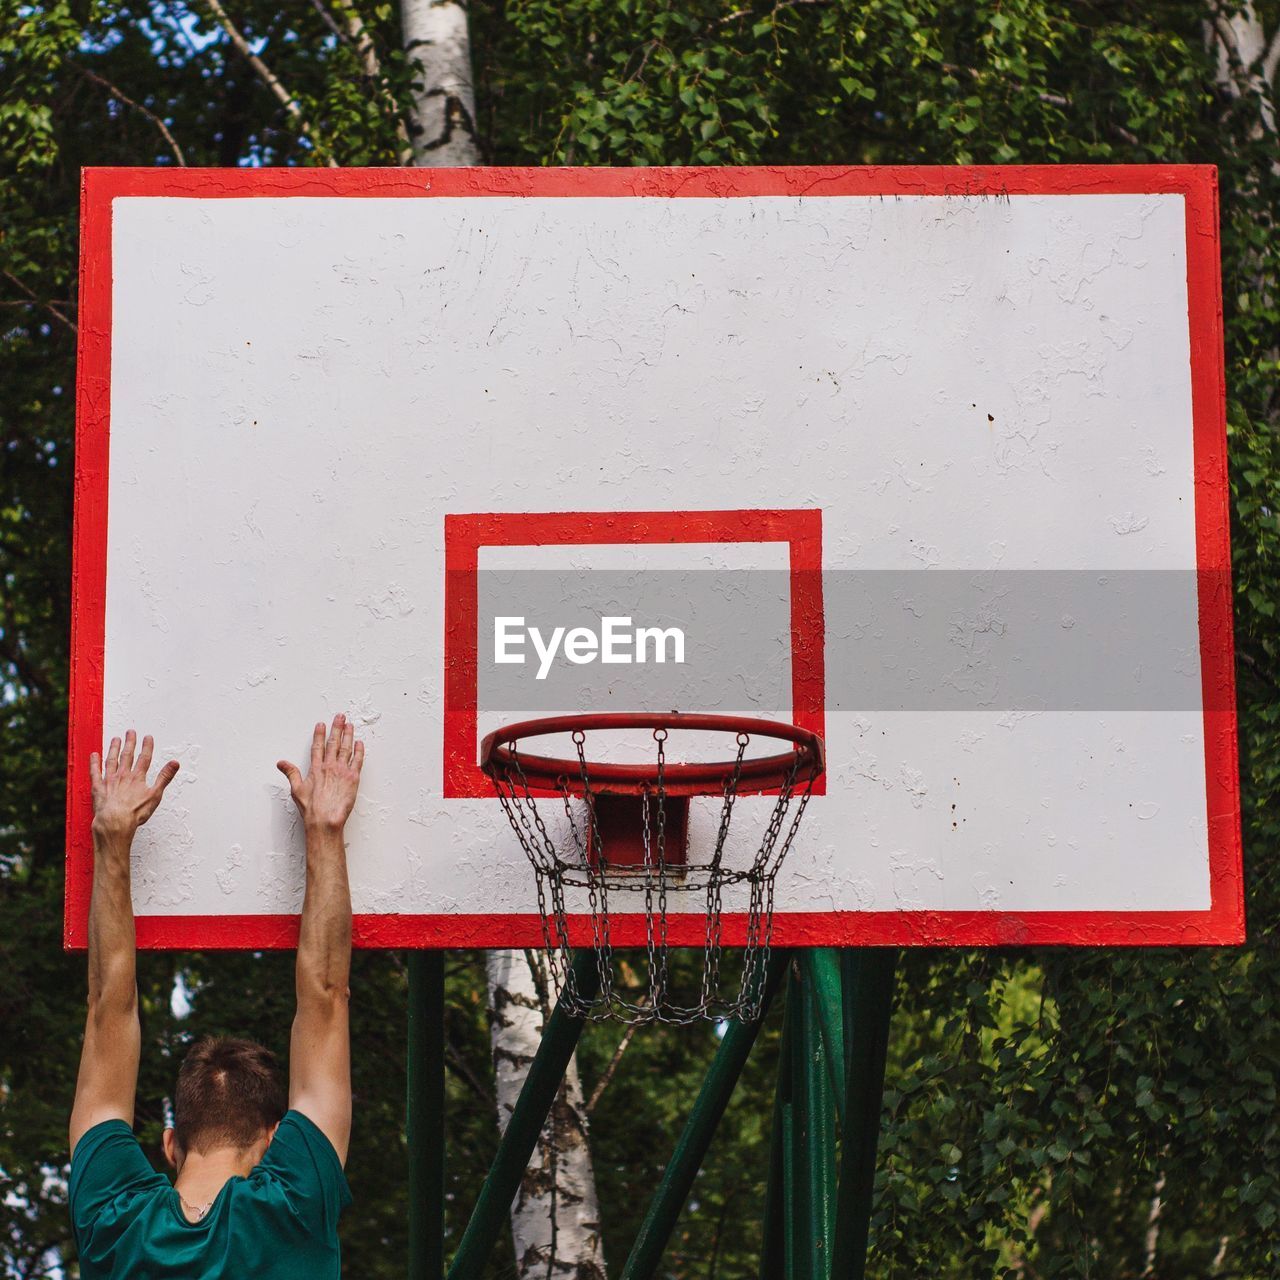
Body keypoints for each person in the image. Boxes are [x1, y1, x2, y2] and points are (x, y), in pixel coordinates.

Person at [68, 715, 364, 1279]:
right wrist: (326, 828)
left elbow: (107, 1004)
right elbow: (327, 995)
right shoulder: (292, 1208)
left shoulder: (114, 1221)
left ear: (171, 1144)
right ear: (275, 1139)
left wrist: (110, 842)